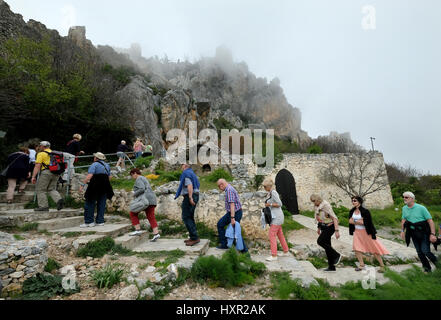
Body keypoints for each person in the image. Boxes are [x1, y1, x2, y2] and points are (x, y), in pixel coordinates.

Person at [400, 191, 438, 273]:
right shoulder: (404, 208)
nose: (404, 199)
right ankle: (427, 269)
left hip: (424, 232)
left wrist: (432, 234)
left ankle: (438, 264)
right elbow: (403, 220)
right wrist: (402, 230)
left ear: (412, 199)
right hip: (413, 233)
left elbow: (430, 221)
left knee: (425, 251)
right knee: (419, 252)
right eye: (403, 197)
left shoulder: (421, 208)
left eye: (406, 197)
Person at [349, 196, 389, 273]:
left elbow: (366, 223)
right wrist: (358, 221)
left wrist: (355, 221)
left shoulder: (365, 211)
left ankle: (382, 266)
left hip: (367, 232)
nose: (353, 202)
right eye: (352, 201)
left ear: (359, 202)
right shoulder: (352, 211)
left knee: (374, 249)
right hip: (357, 232)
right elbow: (350, 221)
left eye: (355, 200)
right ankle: (361, 265)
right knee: (357, 249)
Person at [79, 152, 114, 227]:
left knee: (89, 202)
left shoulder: (94, 164)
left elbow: (89, 176)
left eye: (94, 156)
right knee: (102, 203)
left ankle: (89, 221)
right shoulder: (107, 165)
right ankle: (100, 221)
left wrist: (82, 185)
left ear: (96, 158)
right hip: (105, 186)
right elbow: (110, 177)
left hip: (95, 185)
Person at [311, 194, 341, 271]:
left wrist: (337, 231)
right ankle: (331, 266)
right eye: (312, 201)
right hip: (324, 227)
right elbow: (319, 217)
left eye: (314, 201)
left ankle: (336, 255)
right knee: (328, 246)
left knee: (320, 241)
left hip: (330, 227)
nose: (313, 203)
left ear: (318, 200)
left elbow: (334, 218)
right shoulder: (317, 207)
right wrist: (319, 227)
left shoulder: (326, 205)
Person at [216, 179, 248, 253]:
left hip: (235, 213)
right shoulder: (229, 188)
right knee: (220, 224)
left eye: (219, 186)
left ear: (221, 185)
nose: (219, 188)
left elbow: (232, 204)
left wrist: (232, 217)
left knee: (236, 231)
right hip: (233, 212)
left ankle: (244, 251)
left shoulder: (229, 190)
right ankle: (225, 244)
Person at [128, 168, 160, 241]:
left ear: (135, 173)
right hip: (152, 199)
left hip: (145, 200)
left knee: (133, 212)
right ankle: (156, 233)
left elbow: (141, 189)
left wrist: (134, 194)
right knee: (151, 216)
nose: (132, 177)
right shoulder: (144, 178)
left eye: (132, 175)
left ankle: (137, 230)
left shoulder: (139, 179)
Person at [31, 141, 64, 212]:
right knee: (51, 189)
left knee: (40, 189)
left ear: (43, 146)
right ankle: (59, 200)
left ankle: (43, 206)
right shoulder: (54, 153)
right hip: (56, 173)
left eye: (40, 146)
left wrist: (33, 176)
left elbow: (37, 166)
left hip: (46, 173)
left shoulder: (41, 154)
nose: (39, 147)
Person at [263, 178, 289, 261]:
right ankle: (286, 251)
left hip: (277, 217)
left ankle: (274, 255)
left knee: (271, 234)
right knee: (280, 234)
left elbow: (280, 204)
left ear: (268, 186)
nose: (264, 188)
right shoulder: (270, 193)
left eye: (264, 186)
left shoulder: (273, 192)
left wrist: (269, 204)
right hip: (277, 216)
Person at [174, 163, 200, 246]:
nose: (181, 166)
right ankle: (193, 237)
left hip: (190, 196)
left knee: (186, 217)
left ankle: (194, 238)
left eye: (182, 165)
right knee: (190, 217)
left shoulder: (186, 173)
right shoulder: (192, 173)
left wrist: (190, 197)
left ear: (185, 166)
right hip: (195, 195)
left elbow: (189, 185)